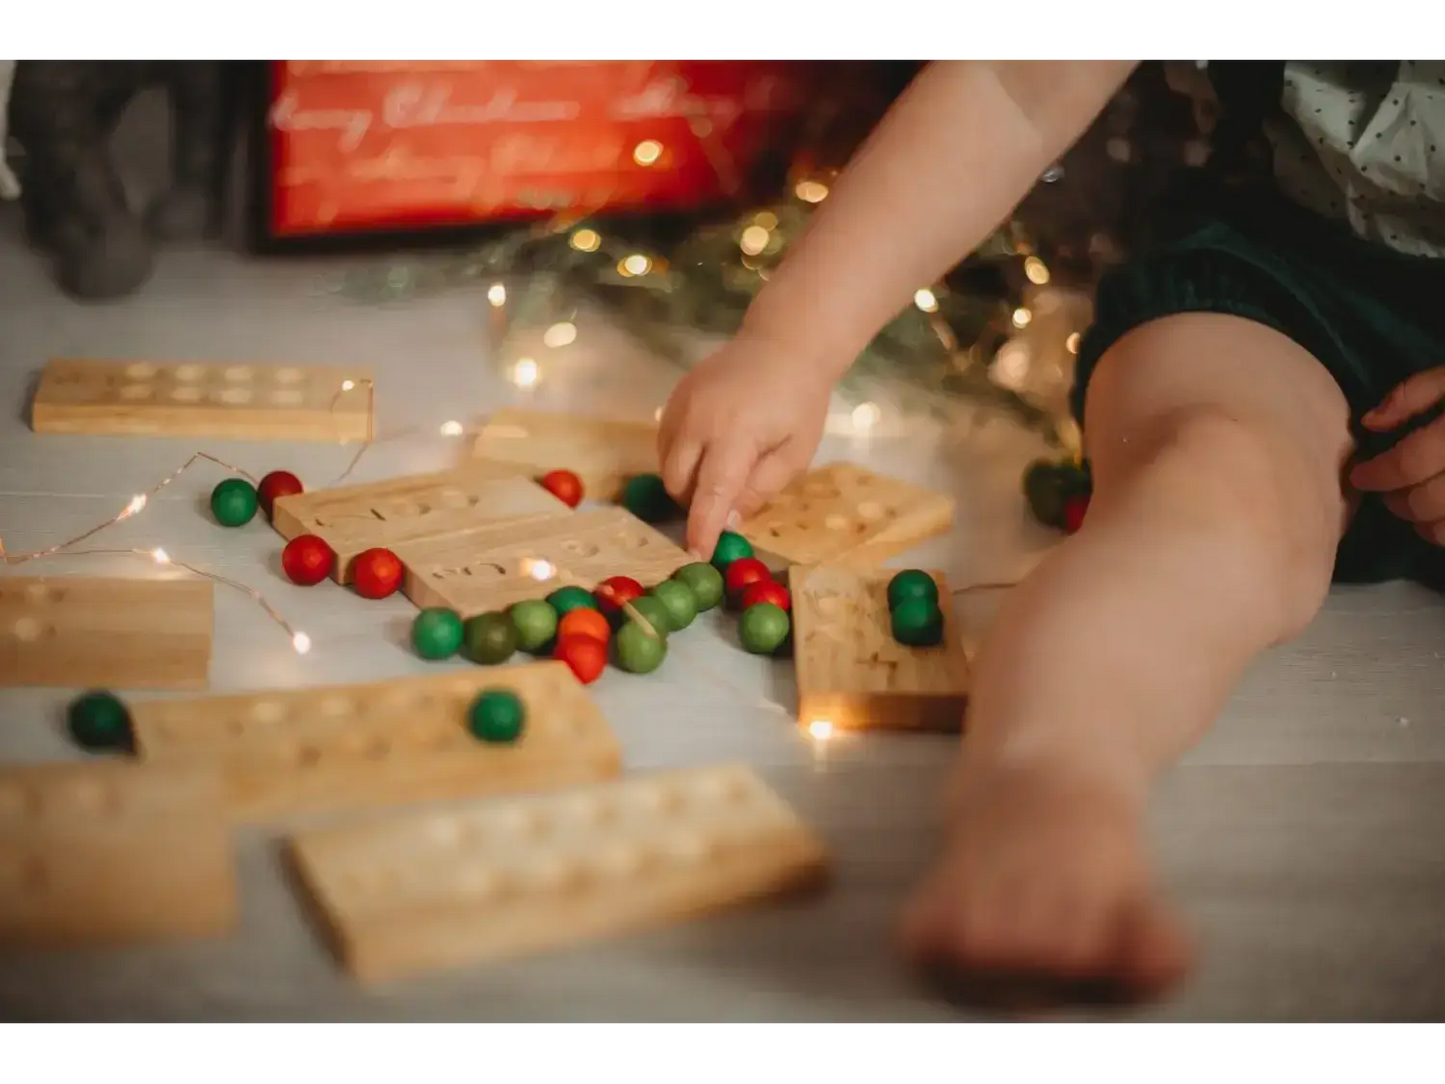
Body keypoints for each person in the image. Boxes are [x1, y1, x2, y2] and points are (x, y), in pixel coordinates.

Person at [656, 57, 1445, 1000]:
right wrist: (792, 339)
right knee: (1206, 473)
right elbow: (1010, 85)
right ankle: (1049, 779)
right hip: (1283, 289)